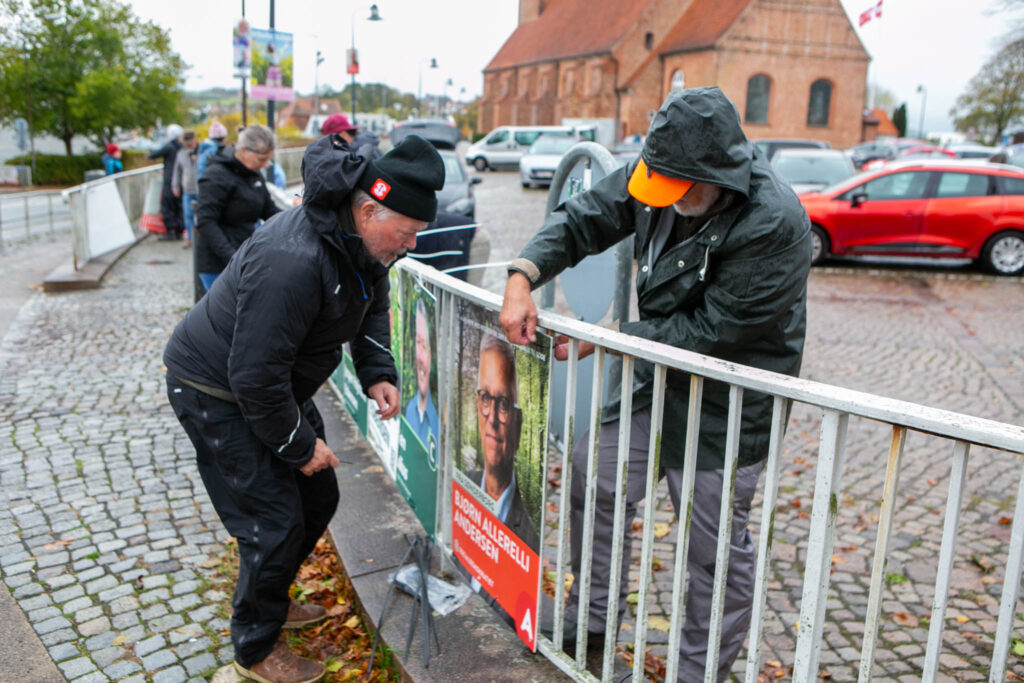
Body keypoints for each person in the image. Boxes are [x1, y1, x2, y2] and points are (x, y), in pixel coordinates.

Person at [499, 87, 811, 681]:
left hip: (727, 404)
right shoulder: (661, 174)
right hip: (656, 379)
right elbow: (586, 215)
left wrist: (617, 335)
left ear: (717, 175)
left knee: (711, 549)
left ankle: (698, 671)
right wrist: (523, 274)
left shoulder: (775, 221)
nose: (663, 201)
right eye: (655, 186)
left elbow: (716, 328)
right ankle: (590, 616)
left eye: (679, 193)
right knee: (596, 474)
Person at [164, 133, 445, 683]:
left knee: (318, 497)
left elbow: (372, 303)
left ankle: (270, 595)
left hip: (273, 386)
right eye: (407, 234)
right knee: (272, 521)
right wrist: (298, 444)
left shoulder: (363, 243)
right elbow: (252, 374)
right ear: (368, 210)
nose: (410, 246)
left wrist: (378, 372)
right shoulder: (292, 258)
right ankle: (254, 651)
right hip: (215, 389)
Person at [467, 334, 539, 553]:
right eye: (486, 398)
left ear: (518, 423)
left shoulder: (530, 529)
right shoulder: (462, 487)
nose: (492, 419)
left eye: (504, 404)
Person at [194, 125, 281, 294]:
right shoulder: (216, 175)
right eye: (261, 159)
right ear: (243, 151)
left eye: (268, 160)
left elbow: (268, 210)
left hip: (245, 256)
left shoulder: (253, 173)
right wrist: (232, 257)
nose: (264, 165)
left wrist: (298, 217)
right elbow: (206, 222)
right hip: (218, 263)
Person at [403, 299, 439, 454]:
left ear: (431, 354)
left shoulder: (438, 423)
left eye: (425, 346)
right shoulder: (409, 410)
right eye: (418, 343)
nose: (421, 358)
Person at [148, 124, 185, 241]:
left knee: (167, 205)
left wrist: (150, 153)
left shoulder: (169, 147)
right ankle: (179, 229)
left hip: (169, 180)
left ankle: (170, 231)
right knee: (179, 206)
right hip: (181, 180)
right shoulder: (182, 147)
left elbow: (153, 155)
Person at [172, 131, 199, 248]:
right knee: (188, 215)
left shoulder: (204, 151)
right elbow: (177, 171)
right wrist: (175, 186)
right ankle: (190, 238)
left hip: (201, 189)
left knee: (203, 215)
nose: (189, 146)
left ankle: (201, 239)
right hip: (187, 189)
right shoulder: (181, 154)